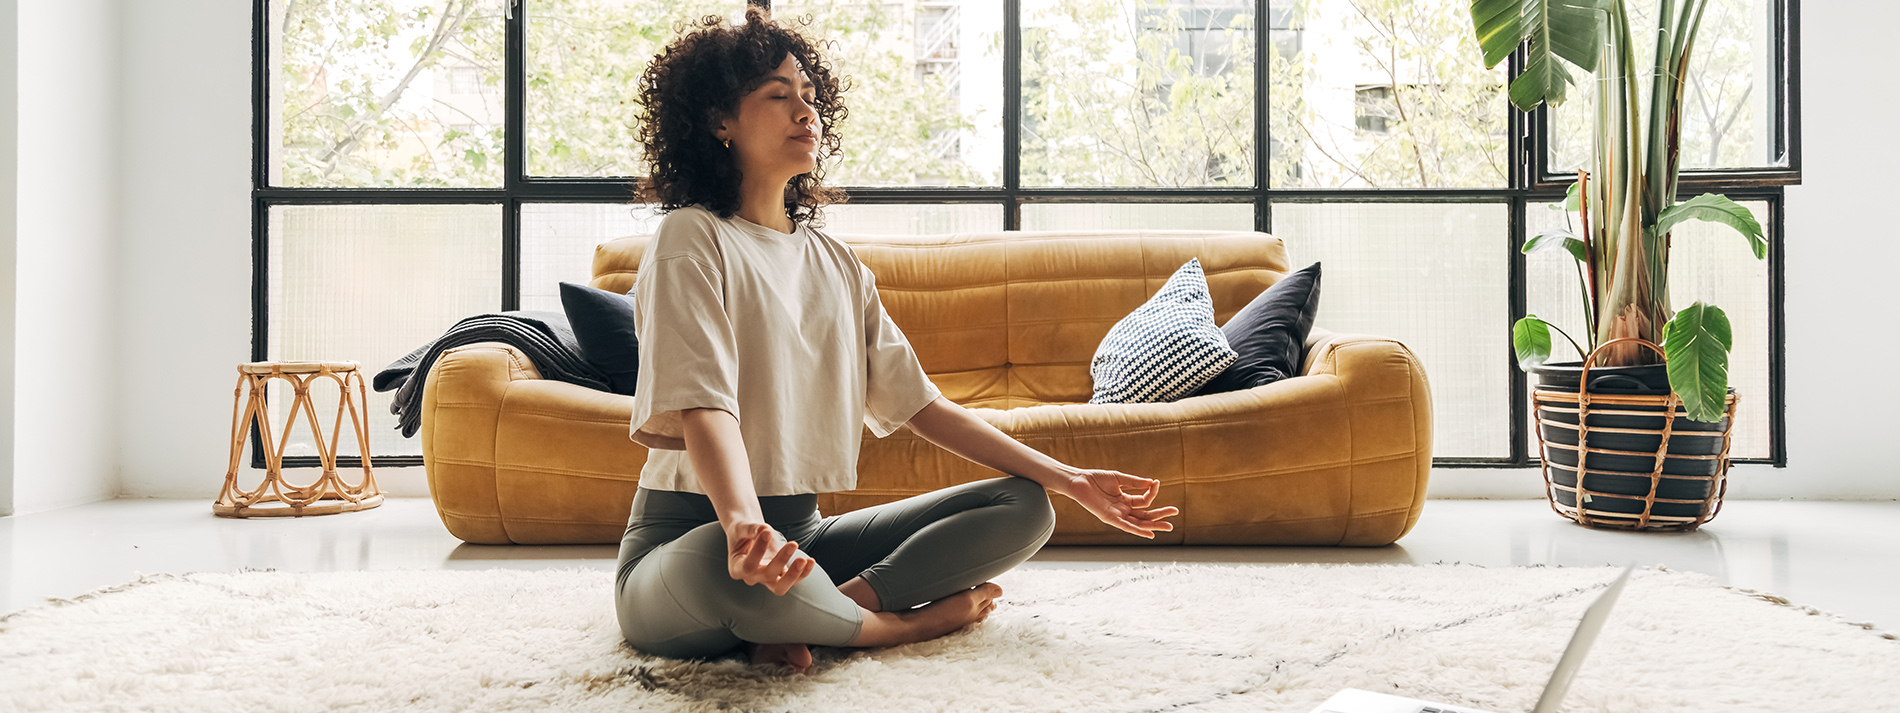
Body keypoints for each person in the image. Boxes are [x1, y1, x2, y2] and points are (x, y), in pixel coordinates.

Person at [615, 5, 1181, 676]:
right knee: (723, 566)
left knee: (1024, 504)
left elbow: (923, 406)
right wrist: (742, 526)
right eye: (778, 95)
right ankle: (892, 626)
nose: (806, 111)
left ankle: (832, 606)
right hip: (690, 539)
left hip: (804, 538)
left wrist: (1069, 476)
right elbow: (705, 405)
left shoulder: (837, 264)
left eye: (810, 96)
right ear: (719, 122)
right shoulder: (691, 237)